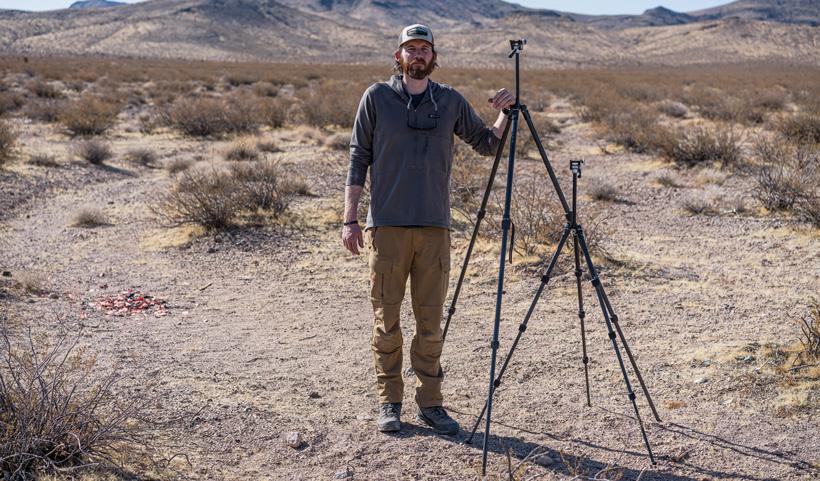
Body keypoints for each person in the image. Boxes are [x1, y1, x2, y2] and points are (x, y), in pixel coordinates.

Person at [341, 24, 514, 435]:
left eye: (424, 49)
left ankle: (431, 403)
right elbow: (357, 157)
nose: (417, 55)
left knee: (431, 321)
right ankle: (390, 401)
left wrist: (506, 113)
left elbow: (487, 145)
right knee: (386, 320)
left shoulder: (449, 100)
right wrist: (350, 218)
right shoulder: (377, 97)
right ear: (398, 56)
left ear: (434, 57)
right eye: (410, 49)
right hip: (386, 227)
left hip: (435, 228)